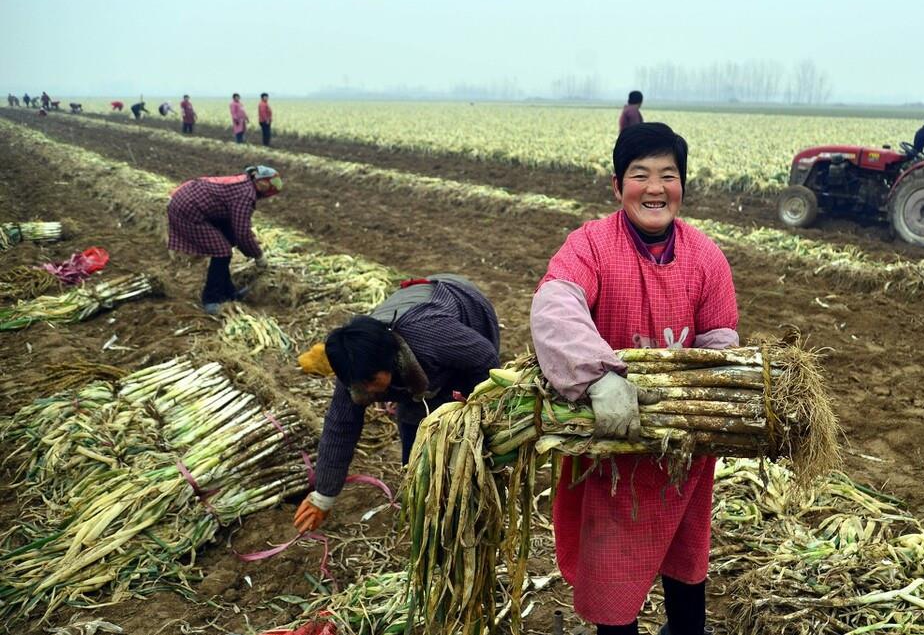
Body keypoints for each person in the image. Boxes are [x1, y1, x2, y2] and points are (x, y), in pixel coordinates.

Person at [529, 123, 739, 635]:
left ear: (682, 186)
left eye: (668, 175)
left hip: (682, 441)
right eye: (640, 174)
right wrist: (599, 377)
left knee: (686, 546)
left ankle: (686, 631)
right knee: (613, 568)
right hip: (612, 443)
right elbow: (555, 305)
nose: (655, 187)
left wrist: (715, 398)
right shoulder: (591, 246)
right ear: (616, 185)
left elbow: (720, 336)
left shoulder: (705, 255)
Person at [292, 275, 501, 533]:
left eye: (371, 380)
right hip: (415, 350)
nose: (367, 390)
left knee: (458, 417)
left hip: (466, 310)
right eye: (360, 384)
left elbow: (484, 358)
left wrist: (477, 411)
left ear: (390, 360)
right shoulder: (354, 368)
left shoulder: (431, 335)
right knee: (415, 422)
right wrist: (323, 497)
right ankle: (419, 492)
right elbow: (340, 428)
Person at [166, 165, 282, 314]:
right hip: (188, 209)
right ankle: (211, 299)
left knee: (225, 244)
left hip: (193, 202)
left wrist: (246, 243)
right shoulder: (246, 195)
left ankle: (228, 293)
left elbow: (237, 227)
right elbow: (242, 233)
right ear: (261, 182)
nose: (270, 191)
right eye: (270, 185)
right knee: (222, 251)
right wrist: (258, 255)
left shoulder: (244, 183)